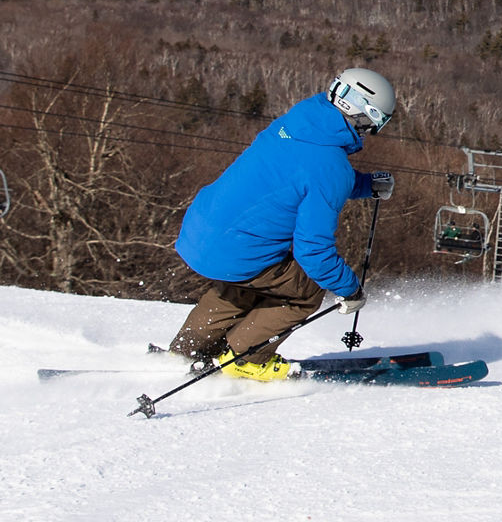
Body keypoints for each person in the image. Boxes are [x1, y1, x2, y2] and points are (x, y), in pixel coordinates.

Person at [167, 68, 398, 381]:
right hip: (236, 250)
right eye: (377, 122)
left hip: (200, 234)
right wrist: (350, 289)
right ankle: (245, 358)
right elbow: (313, 251)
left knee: (243, 281)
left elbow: (303, 178)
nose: (371, 131)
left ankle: (187, 349)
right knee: (305, 289)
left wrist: (364, 185)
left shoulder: (296, 122)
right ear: (364, 113)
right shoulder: (330, 165)